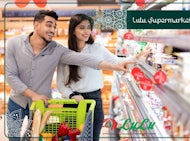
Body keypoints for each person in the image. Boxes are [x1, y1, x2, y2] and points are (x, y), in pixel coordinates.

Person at [5, 10, 131, 141]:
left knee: (37, 137)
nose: (52, 29)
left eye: (54, 26)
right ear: (36, 25)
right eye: (49, 25)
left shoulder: (57, 50)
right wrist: (33, 95)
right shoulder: (14, 44)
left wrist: (115, 66)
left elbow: (84, 59)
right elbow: (10, 75)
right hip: (17, 102)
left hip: (41, 105)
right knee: (13, 137)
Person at [57, 13, 150, 141]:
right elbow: (60, 84)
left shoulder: (97, 48)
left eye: (89, 27)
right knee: (70, 138)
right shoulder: (65, 54)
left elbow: (116, 61)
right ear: (73, 30)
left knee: (93, 138)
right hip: (73, 102)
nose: (86, 31)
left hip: (95, 100)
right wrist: (72, 95)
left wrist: (137, 58)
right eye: (82, 27)